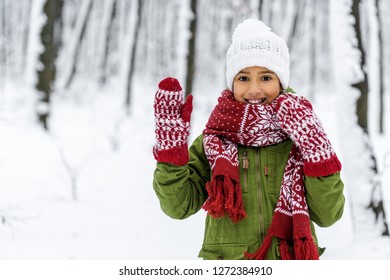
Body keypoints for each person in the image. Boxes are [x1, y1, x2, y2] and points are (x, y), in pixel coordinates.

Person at [152, 18, 345, 260]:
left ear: (281, 82)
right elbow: (178, 207)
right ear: (232, 83)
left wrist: (317, 151)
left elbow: (328, 215)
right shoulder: (213, 140)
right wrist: (171, 156)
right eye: (243, 78)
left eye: (266, 77)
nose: (254, 89)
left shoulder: (302, 138)